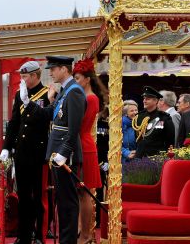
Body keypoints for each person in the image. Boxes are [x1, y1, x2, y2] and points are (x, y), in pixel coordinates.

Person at [22, 55, 86, 244]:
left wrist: (64, 153)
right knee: (63, 202)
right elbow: (51, 114)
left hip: (65, 155)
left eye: (54, 68)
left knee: (68, 202)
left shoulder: (74, 92)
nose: (50, 72)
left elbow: (74, 128)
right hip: (58, 153)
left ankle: (68, 241)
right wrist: (29, 103)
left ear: (64, 69)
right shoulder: (65, 91)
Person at [1, 61, 50, 244]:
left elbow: (45, 120)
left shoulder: (47, 94)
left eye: (25, 76)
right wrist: (7, 146)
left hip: (38, 152)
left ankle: (38, 235)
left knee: (37, 197)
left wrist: (29, 103)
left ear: (35, 76)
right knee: (23, 196)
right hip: (22, 152)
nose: (22, 80)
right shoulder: (18, 95)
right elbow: (15, 122)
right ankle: (23, 236)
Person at [73, 59, 106, 244]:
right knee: (80, 193)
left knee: (84, 192)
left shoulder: (90, 98)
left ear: (86, 79)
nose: (75, 82)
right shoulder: (85, 97)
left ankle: (85, 234)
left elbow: (80, 125)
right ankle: (81, 230)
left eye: (77, 78)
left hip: (84, 146)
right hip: (82, 144)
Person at [134, 86, 175, 157]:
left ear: (156, 101)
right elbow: (137, 138)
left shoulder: (164, 118)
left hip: (156, 158)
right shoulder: (139, 117)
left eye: (148, 99)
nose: (144, 101)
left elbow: (170, 141)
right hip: (140, 157)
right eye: (144, 98)